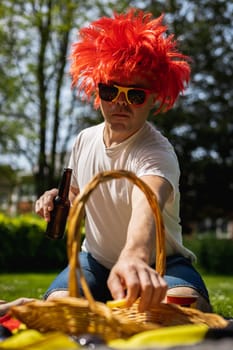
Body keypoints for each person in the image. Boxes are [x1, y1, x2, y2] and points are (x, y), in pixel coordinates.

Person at [35, 8, 212, 312]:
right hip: (95, 261)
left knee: (182, 308)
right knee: (59, 308)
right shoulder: (83, 140)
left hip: (161, 262)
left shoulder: (156, 151)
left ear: (154, 99)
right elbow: (79, 194)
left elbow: (148, 203)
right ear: (97, 90)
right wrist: (56, 196)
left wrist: (133, 256)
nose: (120, 102)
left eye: (135, 95)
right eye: (110, 90)